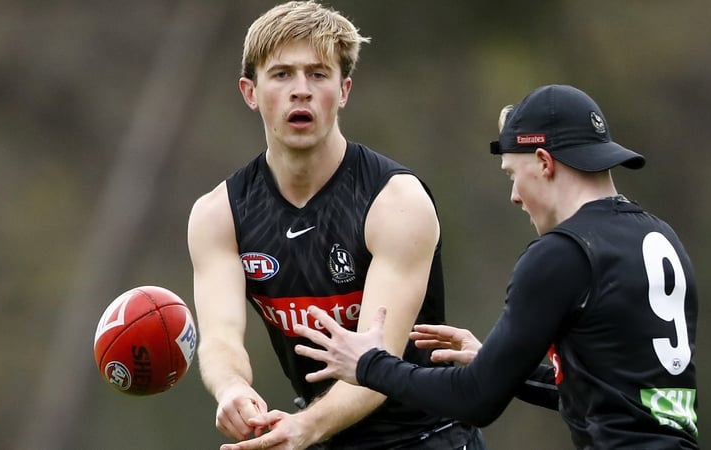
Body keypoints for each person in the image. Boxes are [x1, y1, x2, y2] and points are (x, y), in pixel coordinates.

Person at [293, 84, 700, 449]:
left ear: (544, 162)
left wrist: (369, 364)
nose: (514, 197)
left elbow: (475, 400)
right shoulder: (659, 236)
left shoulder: (562, 253)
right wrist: (497, 363)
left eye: (512, 174)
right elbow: (617, 395)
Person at [187, 1, 487, 449]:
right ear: (250, 92)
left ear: (344, 90)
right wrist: (232, 389)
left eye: (319, 74)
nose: (301, 90)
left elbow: (374, 367)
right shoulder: (219, 214)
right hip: (324, 439)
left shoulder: (396, 203)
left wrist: (304, 427)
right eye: (282, 74)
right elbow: (221, 338)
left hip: (427, 438)